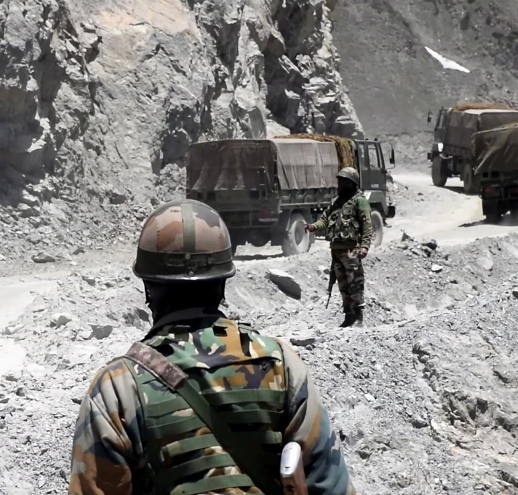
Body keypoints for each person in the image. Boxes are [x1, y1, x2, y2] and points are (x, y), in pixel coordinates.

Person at [68, 198, 356, 495]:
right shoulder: (282, 365)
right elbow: (331, 485)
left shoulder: (117, 389)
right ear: (223, 283)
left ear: (148, 287)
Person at [305, 167, 374, 327]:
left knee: (354, 283)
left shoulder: (360, 201)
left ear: (350, 183)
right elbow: (324, 219)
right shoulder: (337, 202)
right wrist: (313, 226)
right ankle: (348, 316)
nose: (339, 184)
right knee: (343, 285)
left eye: (342, 181)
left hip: (351, 250)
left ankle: (358, 316)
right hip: (336, 250)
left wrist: (364, 246)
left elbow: (367, 225)